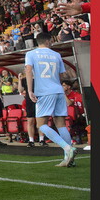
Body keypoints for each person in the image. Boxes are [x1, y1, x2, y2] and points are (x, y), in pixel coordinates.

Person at [26, 31, 76, 167]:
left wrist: (30, 90)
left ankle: (68, 148)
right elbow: (61, 75)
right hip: (58, 90)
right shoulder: (56, 55)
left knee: (41, 124)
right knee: (61, 124)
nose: (52, 43)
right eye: (51, 41)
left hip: (44, 92)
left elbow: (28, 71)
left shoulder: (31, 54)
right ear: (48, 41)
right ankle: (68, 159)